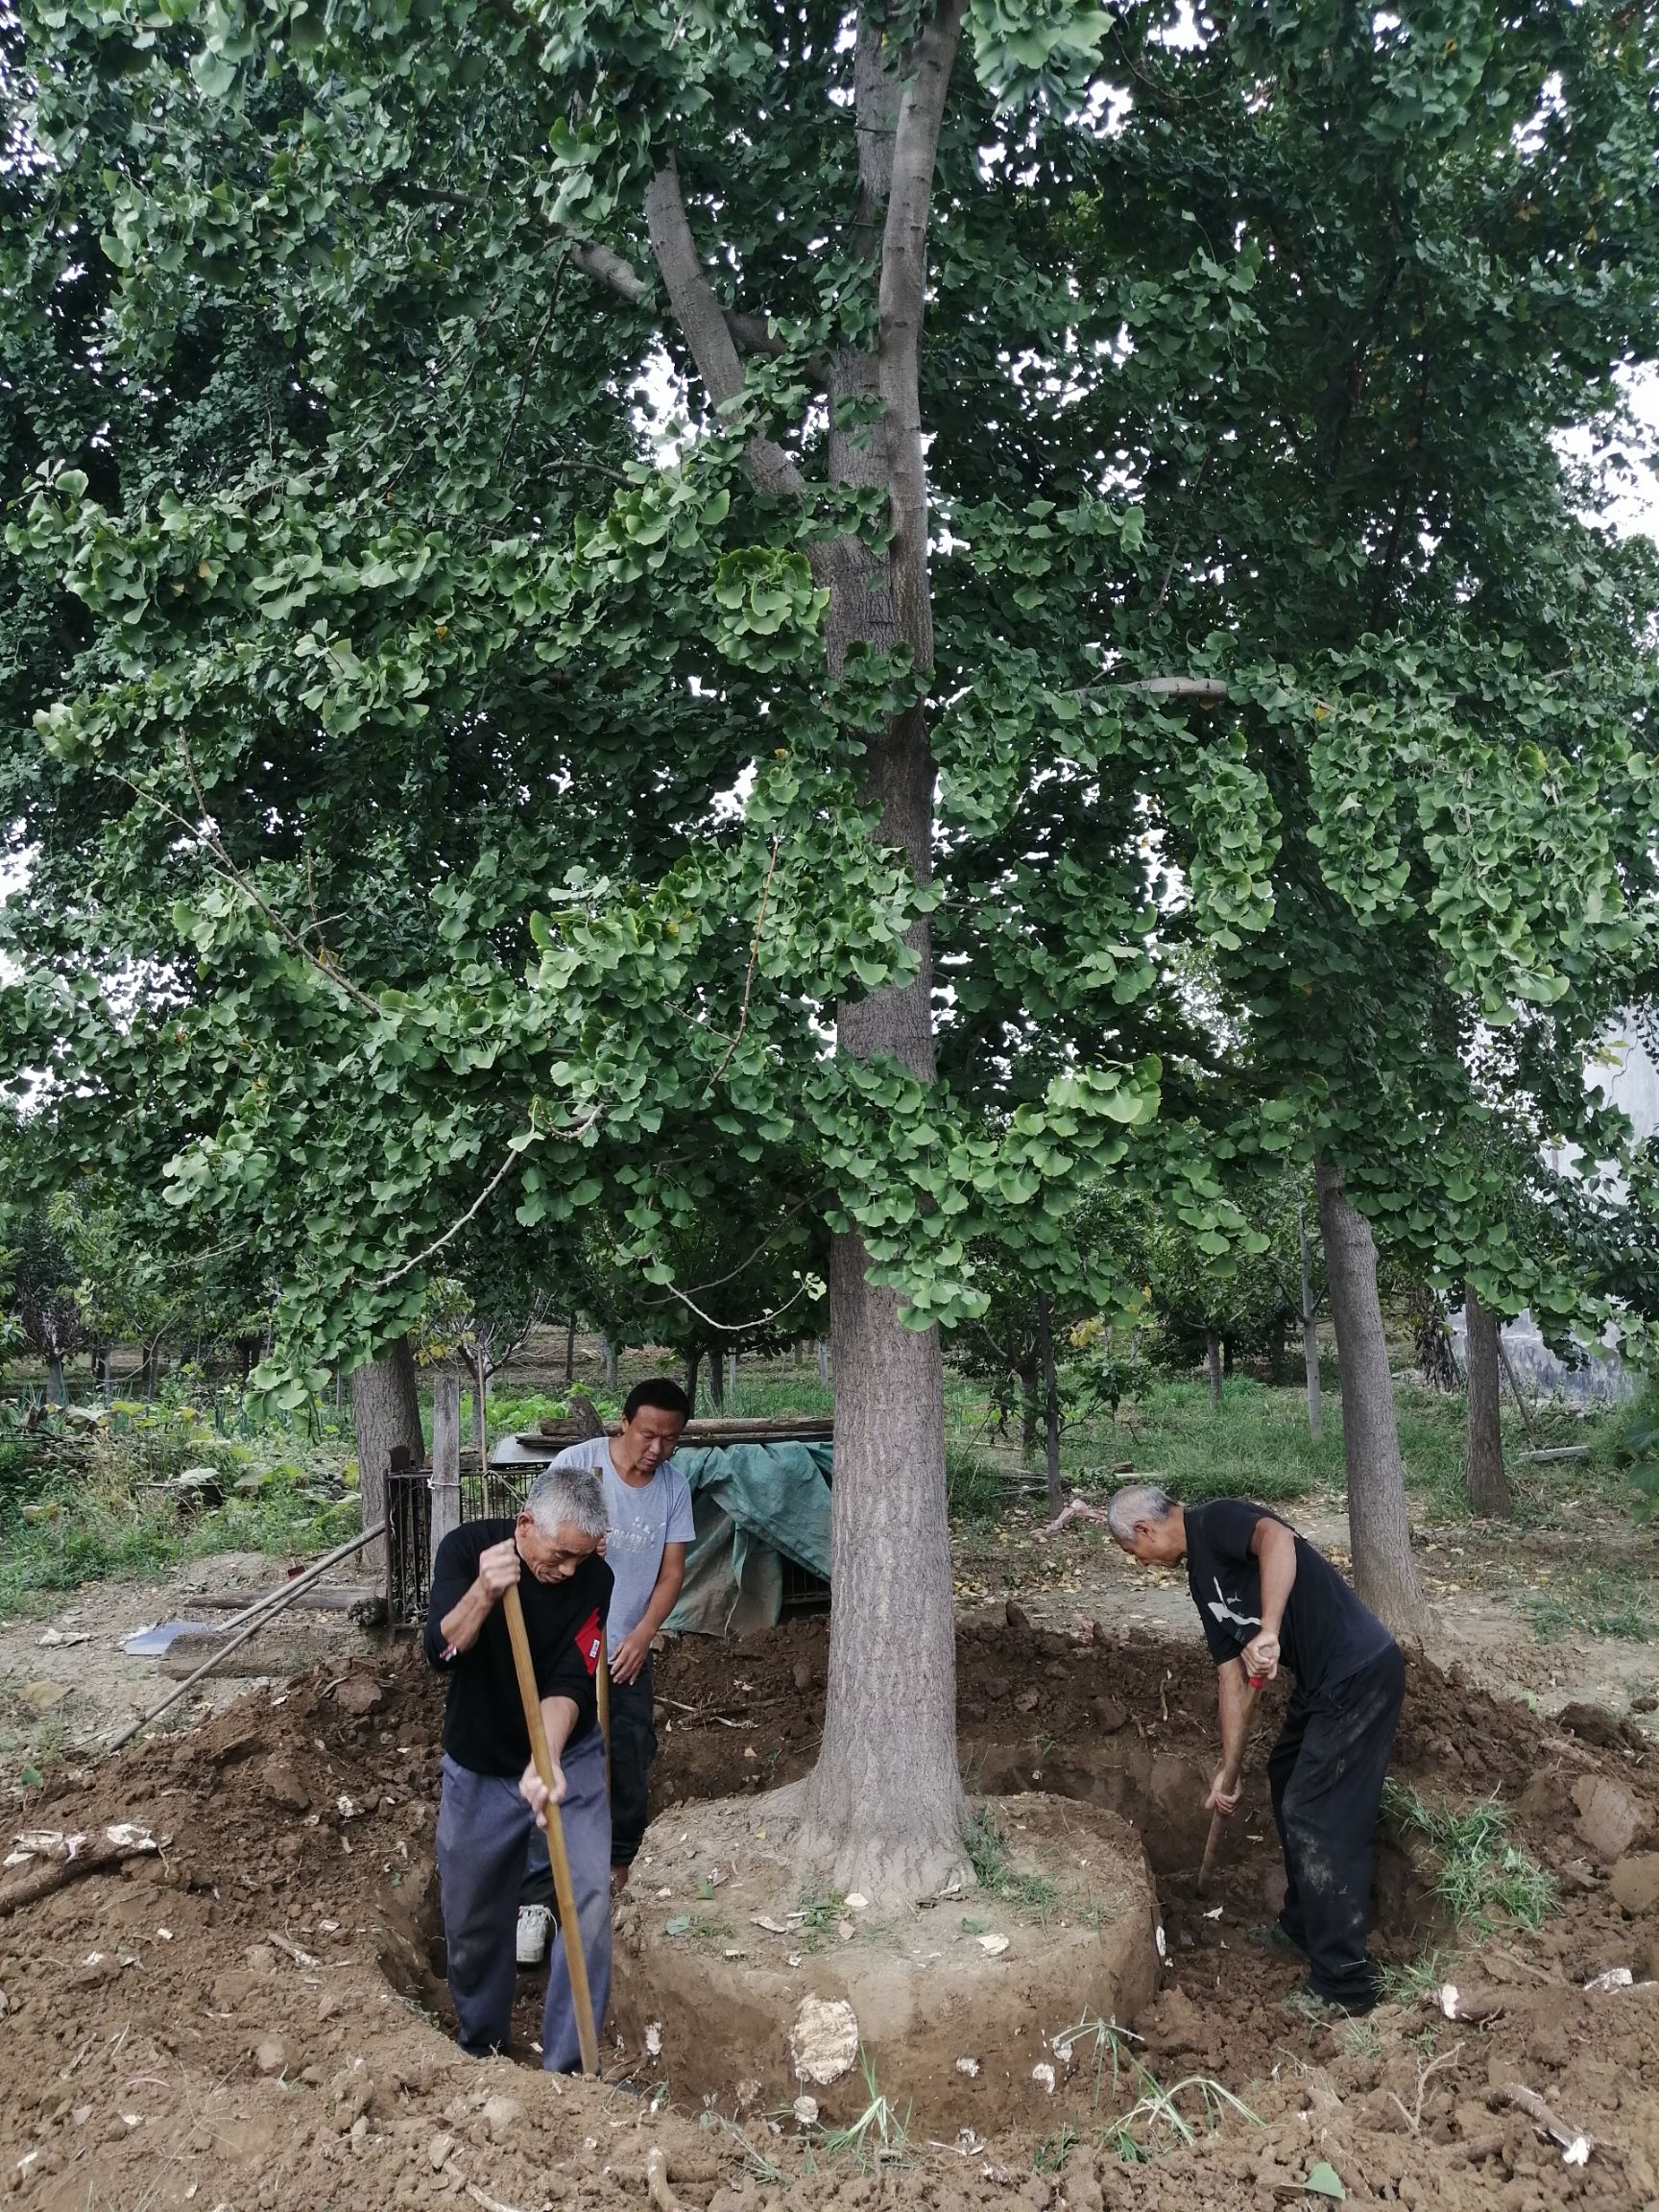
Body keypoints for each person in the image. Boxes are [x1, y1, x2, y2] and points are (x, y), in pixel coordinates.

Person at [1108, 1482, 1405, 2015]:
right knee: (1285, 1773)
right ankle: (1301, 1924)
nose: (1143, 1563)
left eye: (1135, 1553)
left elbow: (1278, 1540)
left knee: (1315, 1812)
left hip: (1361, 1673)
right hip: (1323, 1684)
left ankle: (1345, 1983)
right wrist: (1228, 1768)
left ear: (1145, 1531)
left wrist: (1269, 1629)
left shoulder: (1216, 1522)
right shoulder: (1201, 1582)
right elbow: (1231, 1678)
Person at [424, 1464, 613, 2068]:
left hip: (566, 1756)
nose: (568, 1571)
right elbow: (441, 1650)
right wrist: (482, 1591)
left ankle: (570, 2068)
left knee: (587, 1903)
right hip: (479, 1763)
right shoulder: (468, 1551)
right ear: (525, 1524)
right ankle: (482, 2046)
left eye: (581, 1559)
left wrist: (548, 1757)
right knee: (474, 1918)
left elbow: (571, 1679)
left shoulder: (594, 1580)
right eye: (560, 1555)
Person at [549, 1378, 694, 1887]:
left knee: (630, 1748)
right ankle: (550, 1865)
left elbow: (672, 1573)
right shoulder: (577, 1465)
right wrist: (579, 1548)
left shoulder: (673, 1488)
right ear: (625, 1422)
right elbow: (538, 1540)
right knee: (558, 1745)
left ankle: (619, 1858)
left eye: (671, 1439)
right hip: (565, 1642)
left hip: (625, 1646)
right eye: (648, 1434)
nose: (658, 1449)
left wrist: (642, 1634)